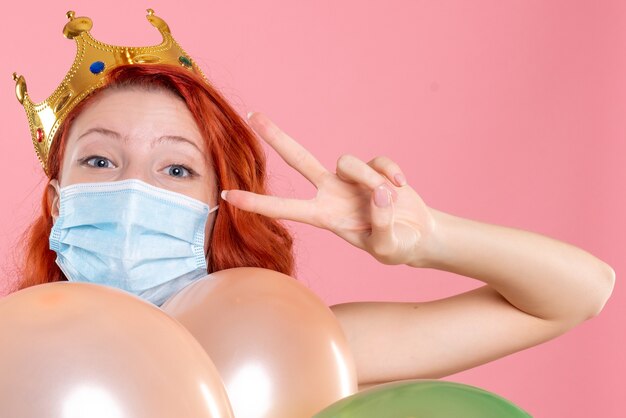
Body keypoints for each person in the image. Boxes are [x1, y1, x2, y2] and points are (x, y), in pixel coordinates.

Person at [13, 10, 615, 388]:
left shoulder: (295, 348)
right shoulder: (9, 358)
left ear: (219, 208)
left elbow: (576, 294)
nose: (136, 191)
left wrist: (433, 240)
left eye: (176, 167)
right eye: (99, 160)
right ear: (58, 200)